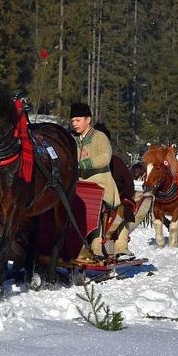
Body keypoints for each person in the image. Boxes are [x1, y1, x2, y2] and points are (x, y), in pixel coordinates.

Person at [70, 103, 120, 260]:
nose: (74, 123)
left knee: (93, 206)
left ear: (88, 120)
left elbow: (105, 157)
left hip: (100, 185)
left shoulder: (100, 137)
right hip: (78, 185)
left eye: (78, 120)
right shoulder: (72, 139)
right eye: (72, 121)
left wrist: (82, 164)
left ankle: (96, 243)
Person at [94, 122, 136, 260]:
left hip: (97, 201)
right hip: (105, 202)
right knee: (126, 209)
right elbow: (129, 186)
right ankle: (120, 246)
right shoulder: (116, 162)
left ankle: (118, 246)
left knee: (124, 208)